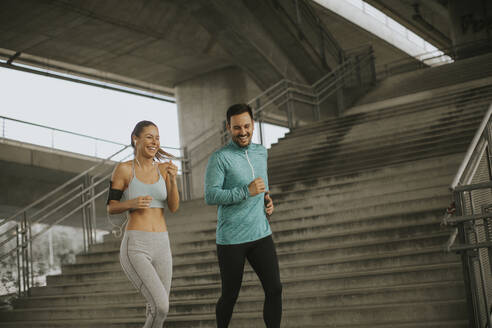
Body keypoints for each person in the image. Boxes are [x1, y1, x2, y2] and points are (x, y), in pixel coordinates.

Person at [204, 103, 282, 328]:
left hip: (260, 234)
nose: (243, 131)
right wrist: (244, 192)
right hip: (232, 239)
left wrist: (267, 201)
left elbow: (263, 186)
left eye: (246, 126)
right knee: (230, 296)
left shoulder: (260, 151)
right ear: (229, 128)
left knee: (275, 288)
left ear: (253, 125)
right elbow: (210, 195)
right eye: (237, 127)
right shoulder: (220, 158)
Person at [107, 120, 179, 328]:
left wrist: (173, 181)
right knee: (161, 306)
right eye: (149, 136)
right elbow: (111, 206)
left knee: (157, 310)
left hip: (162, 244)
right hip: (137, 245)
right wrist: (132, 203)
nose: (154, 141)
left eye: (157, 137)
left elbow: (173, 207)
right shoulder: (123, 170)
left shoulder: (164, 169)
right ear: (135, 138)